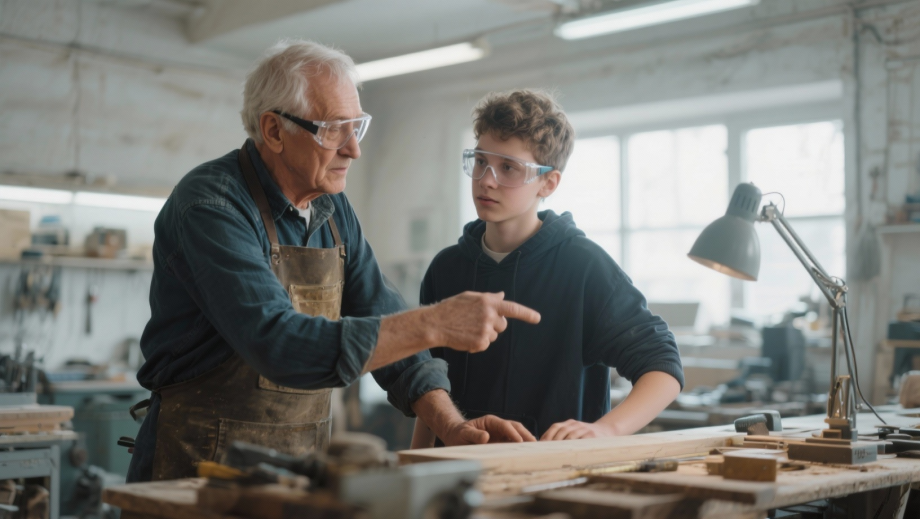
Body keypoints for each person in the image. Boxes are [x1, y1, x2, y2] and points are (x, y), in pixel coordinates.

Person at [128, 41, 540, 482]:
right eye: (332, 130)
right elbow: (279, 344)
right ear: (273, 131)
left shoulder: (332, 210)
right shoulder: (212, 206)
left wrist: (453, 427)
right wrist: (435, 322)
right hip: (193, 473)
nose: (353, 150)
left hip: (297, 475)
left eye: (356, 127)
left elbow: (387, 321)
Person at [412, 90, 684, 447]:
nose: (487, 179)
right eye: (480, 161)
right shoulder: (445, 268)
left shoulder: (584, 266)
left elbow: (663, 366)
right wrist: (415, 462)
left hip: (557, 475)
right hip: (457, 476)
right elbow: (430, 384)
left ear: (548, 183)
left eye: (508, 167)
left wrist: (605, 430)